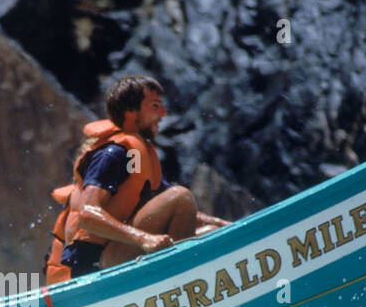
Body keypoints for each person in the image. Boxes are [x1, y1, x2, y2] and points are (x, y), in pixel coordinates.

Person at [45, 75, 228, 284]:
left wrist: (228, 225)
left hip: (120, 251)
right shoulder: (112, 154)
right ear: (131, 113)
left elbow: (182, 211)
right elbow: (87, 215)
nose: (163, 114)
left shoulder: (138, 155)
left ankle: (180, 281)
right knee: (181, 196)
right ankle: (177, 284)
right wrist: (144, 238)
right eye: (155, 106)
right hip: (96, 263)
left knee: (211, 232)